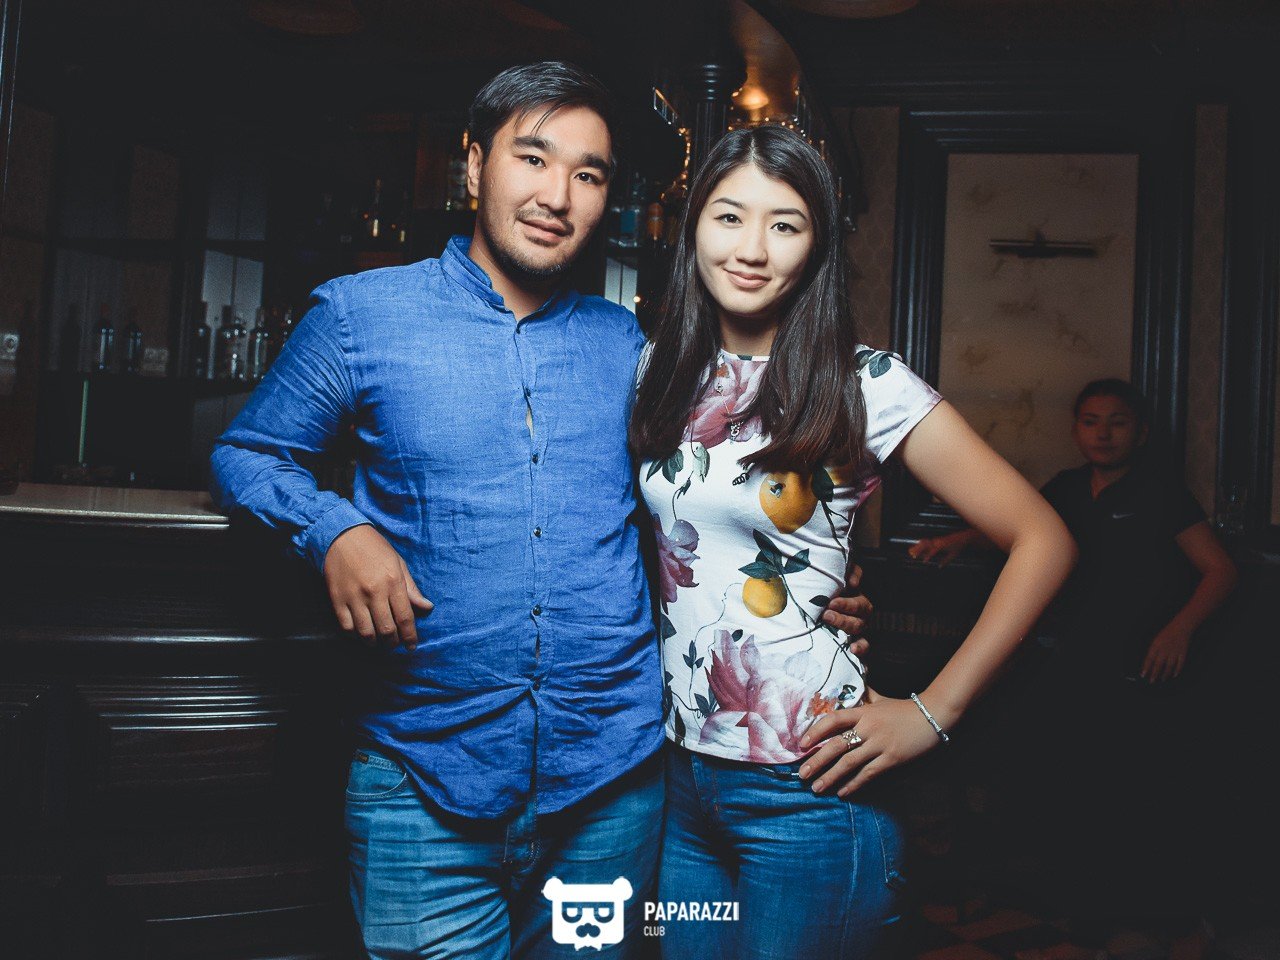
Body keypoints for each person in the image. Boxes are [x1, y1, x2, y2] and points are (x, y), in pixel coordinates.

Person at [210, 62, 870, 960]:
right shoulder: (361, 316)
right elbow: (248, 453)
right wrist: (335, 529)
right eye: (533, 157)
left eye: (588, 174)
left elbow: (704, 507)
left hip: (612, 790)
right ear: (474, 164)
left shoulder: (633, 349)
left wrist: (814, 590)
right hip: (423, 782)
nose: (557, 195)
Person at [630, 124, 1076, 960]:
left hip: (808, 787)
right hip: (679, 781)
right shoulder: (656, 370)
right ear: (693, 227)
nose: (752, 248)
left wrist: (932, 714)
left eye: (785, 224)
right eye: (729, 216)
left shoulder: (866, 383)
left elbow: (1043, 538)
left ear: (817, 248)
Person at [911, 379, 1237, 960]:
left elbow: (1220, 571)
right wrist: (958, 541)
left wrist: (1179, 629)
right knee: (1074, 789)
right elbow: (1022, 532)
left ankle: (1173, 922)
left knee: (1141, 796)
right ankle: (1092, 918)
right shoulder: (1065, 487)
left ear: (1140, 432)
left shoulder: (1163, 493)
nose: (1103, 433)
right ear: (1076, 430)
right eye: (1091, 421)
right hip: (1073, 664)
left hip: (1140, 666)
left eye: (1117, 422)